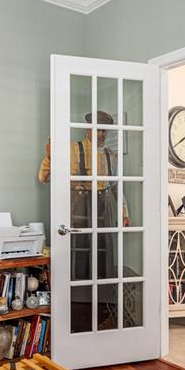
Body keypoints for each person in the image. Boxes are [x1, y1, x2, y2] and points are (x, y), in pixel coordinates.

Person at [38, 111, 129, 285]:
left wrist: (124, 212)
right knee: (78, 251)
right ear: (88, 129)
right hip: (78, 208)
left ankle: (103, 298)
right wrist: (49, 158)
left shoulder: (111, 155)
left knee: (103, 252)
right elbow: (44, 178)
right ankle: (75, 296)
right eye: (97, 130)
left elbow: (117, 186)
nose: (101, 134)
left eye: (104, 131)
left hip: (103, 209)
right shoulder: (71, 150)